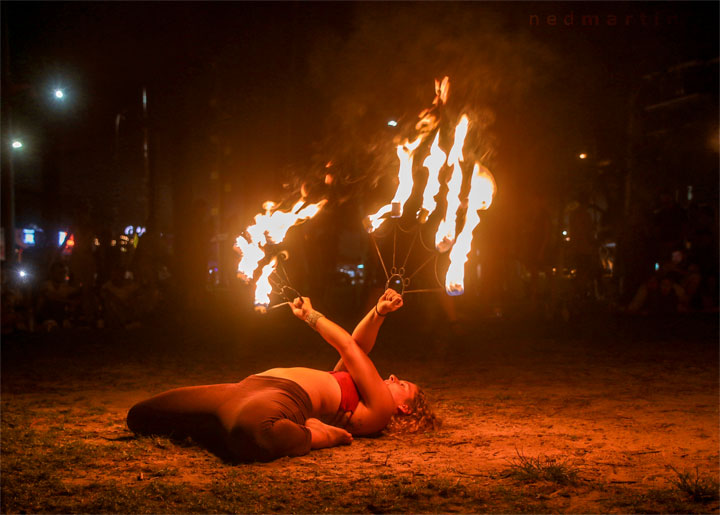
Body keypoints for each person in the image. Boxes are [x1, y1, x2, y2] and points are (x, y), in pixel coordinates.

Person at [127, 289, 437, 462]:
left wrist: (310, 317)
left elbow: (347, 345)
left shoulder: (379, 411)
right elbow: (357, 347)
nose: (394, 377)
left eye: (403, 385)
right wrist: (378, 313)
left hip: (281, 400)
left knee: (254, 436)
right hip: (246, 387)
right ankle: (216, 426)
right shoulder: (361, 390)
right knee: (140, 416)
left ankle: (317, 436)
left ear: (404, 409)